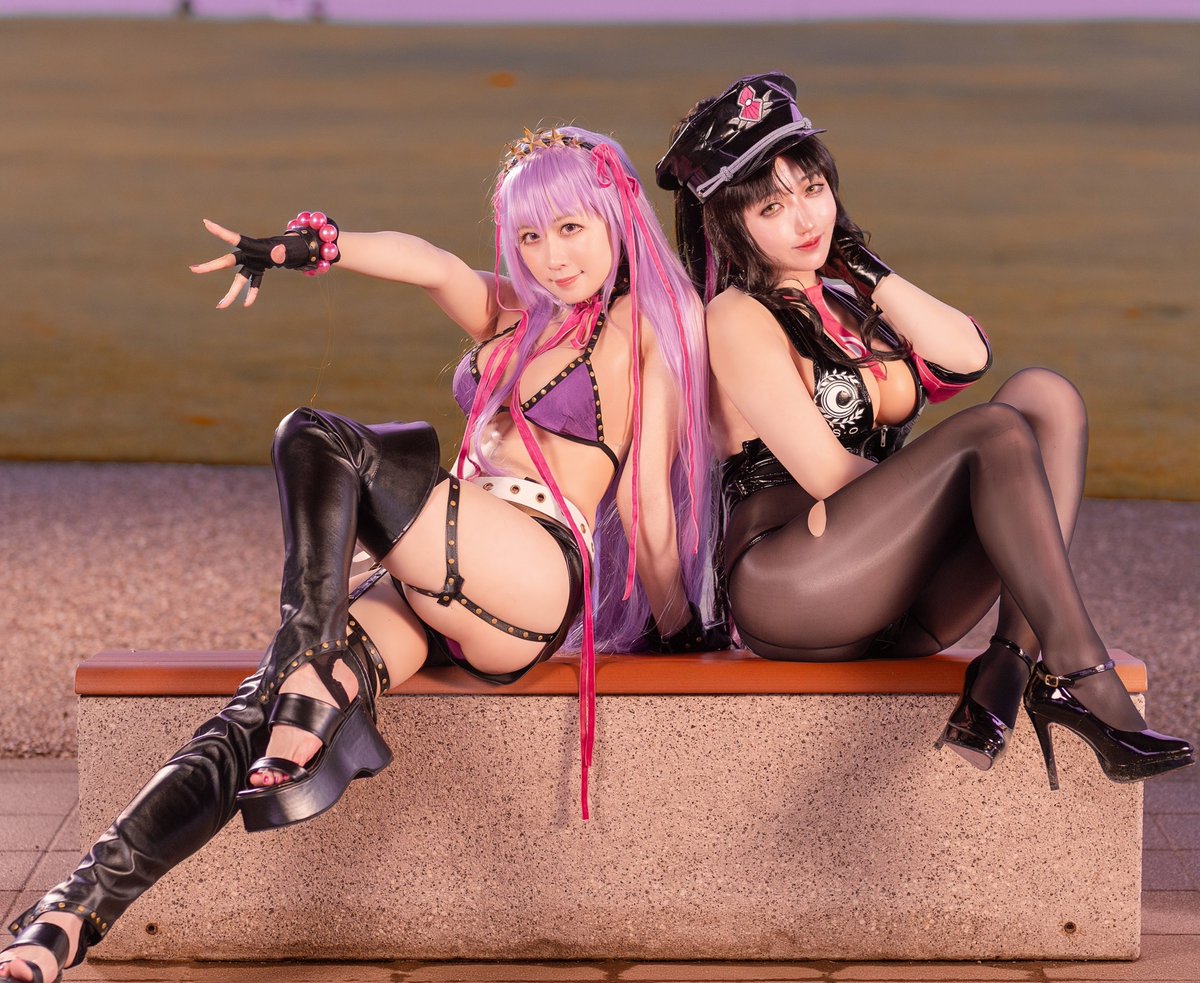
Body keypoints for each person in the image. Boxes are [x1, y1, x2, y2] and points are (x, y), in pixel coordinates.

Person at [1, 125, 717, 983]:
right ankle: (71, 912)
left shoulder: (647, 327)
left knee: (318, 436)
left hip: (531, 570)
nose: (551, 256)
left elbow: (644, 507)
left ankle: (308, 657)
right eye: (530, 235)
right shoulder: (518, 315)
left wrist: (681, 628)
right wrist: (317, 247)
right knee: (251, 713)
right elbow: (432, 265)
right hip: (439, 579)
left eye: (571, 228)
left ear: (617, 214)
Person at [655, 73, 1193, 791]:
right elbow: (827, 476)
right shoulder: (736, 316)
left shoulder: (847, 299)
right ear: (732, 224)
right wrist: (972, 506)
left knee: (1045, 399)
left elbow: (967, 356)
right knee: (993, 436)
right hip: (793, 588)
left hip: (895, 600)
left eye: (813, 188)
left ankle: (1008, 666)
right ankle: (1077, 672)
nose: (805, 218)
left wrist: (862, 265)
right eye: (772, 207)